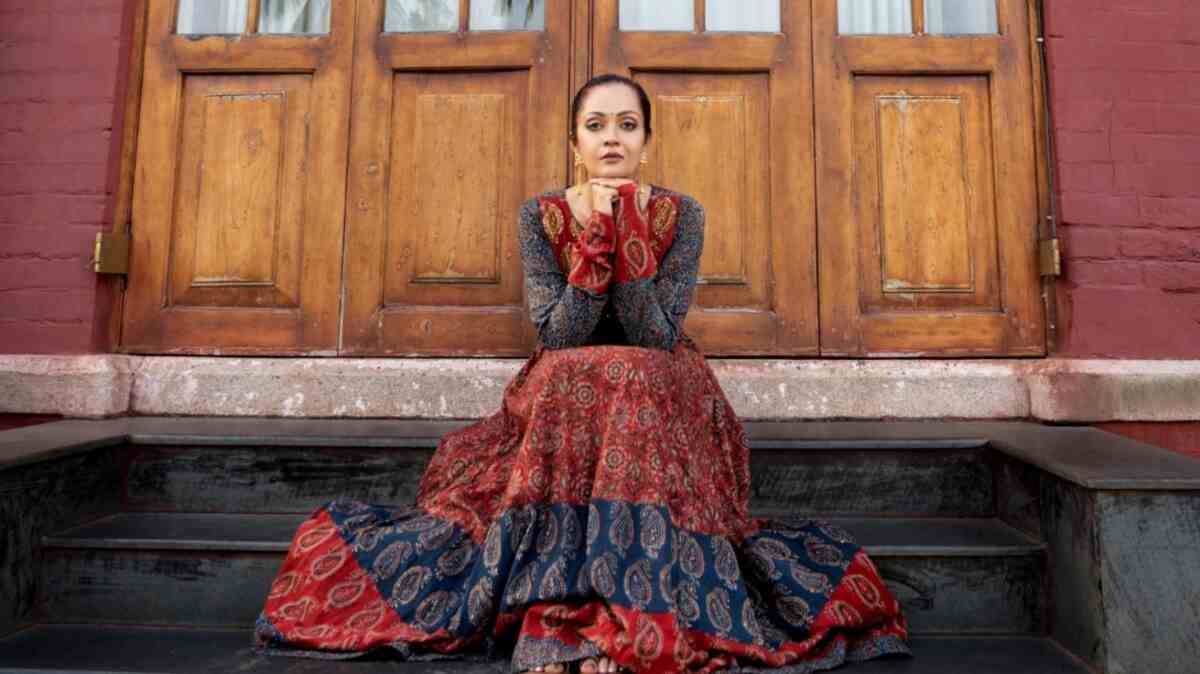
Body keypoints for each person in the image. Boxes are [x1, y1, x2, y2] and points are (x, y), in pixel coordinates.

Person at [254, 73, 910, 674]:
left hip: (661, 381)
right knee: (581, 372)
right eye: (596, 126)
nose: (612, 138)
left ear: (647, 141)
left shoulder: (683, 214)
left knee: (634, 372)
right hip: (566, 383)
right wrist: (595, 238)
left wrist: (629, 231)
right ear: (575, 144)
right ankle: (562, 613)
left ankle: (628, 613)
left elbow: (655, 334)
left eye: (627, 125)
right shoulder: (540, 214)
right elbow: (560, 333)